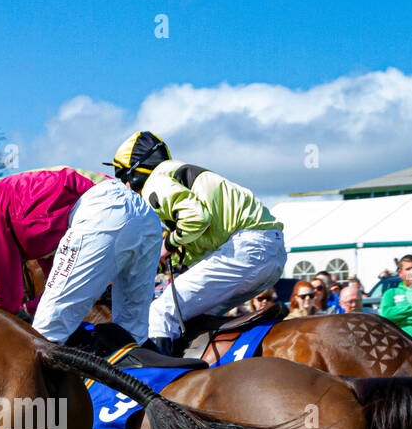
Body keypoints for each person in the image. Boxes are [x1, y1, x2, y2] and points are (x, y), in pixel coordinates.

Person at [0, 159, 161, 345]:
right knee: (132, 334)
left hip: (103, 212)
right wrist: (29, 308)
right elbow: (51, 283)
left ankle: (49, 406)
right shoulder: (17, 206)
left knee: (45, 336)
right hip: (143, 215)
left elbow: (5, 297)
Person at [107, 131, 286, 353]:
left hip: (247, 249)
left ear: (134, 172)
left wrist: (168, 245)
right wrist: (166, 255)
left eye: (123, 176)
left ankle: (159, 383)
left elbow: (196, 217)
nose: (124, 186)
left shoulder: (155, 182)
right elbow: (199, 238)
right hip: (269, 253)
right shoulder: (174, 175)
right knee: (193, 319)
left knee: (161, 312)